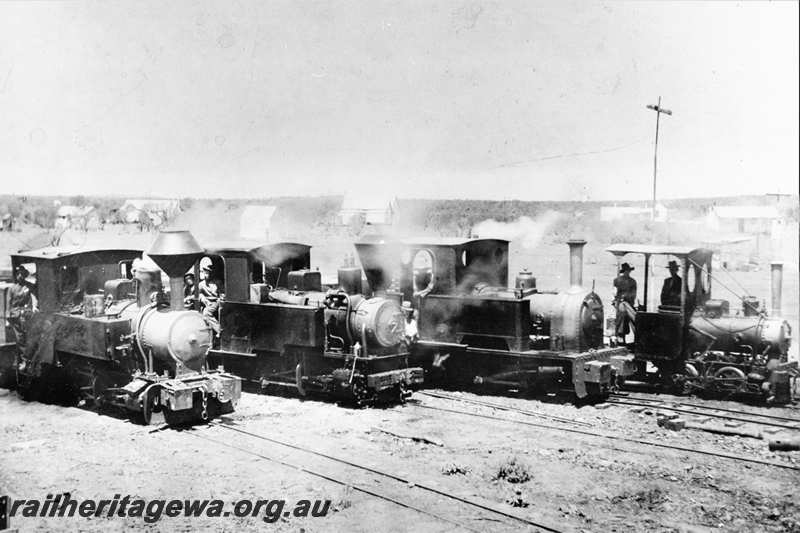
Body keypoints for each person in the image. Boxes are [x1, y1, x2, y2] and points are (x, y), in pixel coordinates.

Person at [8, 266, 36, 356]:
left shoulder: (29, 286)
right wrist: (8, 317)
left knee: (28, 336)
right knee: (19, 337)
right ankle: (25, 358)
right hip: (15, 314)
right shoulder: (12, 288)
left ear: (24, 275)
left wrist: (34, 307)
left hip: (26, 313)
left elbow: (35, 294)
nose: (20, 276)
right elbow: (9, 302)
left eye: (22, 274)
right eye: (18, 274)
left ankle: (26, 357)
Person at [613, 262, 637, 343]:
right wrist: (616, 301)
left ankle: (635, 336)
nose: (627, 272)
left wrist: (627, 299)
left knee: (634, 317)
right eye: (626, 270)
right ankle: (620, 335)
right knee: (622, 310)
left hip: (629, 304)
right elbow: (614, 292)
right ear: (624, 271)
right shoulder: (617, 280)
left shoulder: (633, 281)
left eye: (628, 270)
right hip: (619, 303)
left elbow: (633, 294)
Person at [198, 264, 224, 336]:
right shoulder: (201, 284)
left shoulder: (217, 282)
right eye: (205, 273)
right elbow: (199, 293)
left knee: (206, 313)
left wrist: (220, 299)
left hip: (215, 301)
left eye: (208, 273)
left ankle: (219, 330)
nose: (206, 275)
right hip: (206, 302)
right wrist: (203, 299)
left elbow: (222, 292)